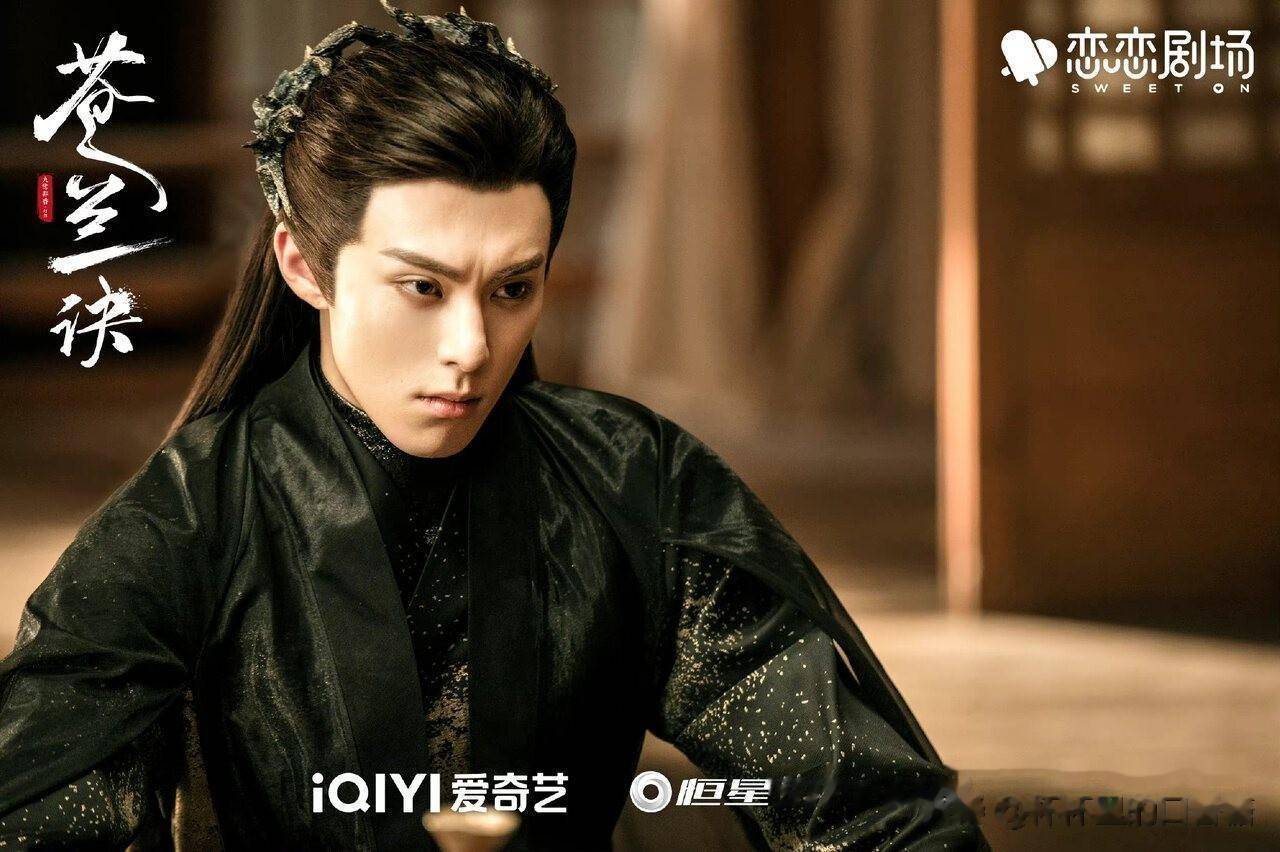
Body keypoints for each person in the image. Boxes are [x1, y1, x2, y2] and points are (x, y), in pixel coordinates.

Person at [0, 4, 988, 849]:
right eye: (421, 288)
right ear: (305, 267)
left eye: (514, 288)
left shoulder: (631, 480)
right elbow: (38, 813)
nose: (471, 346)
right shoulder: (194, 514)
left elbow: (857, 799)